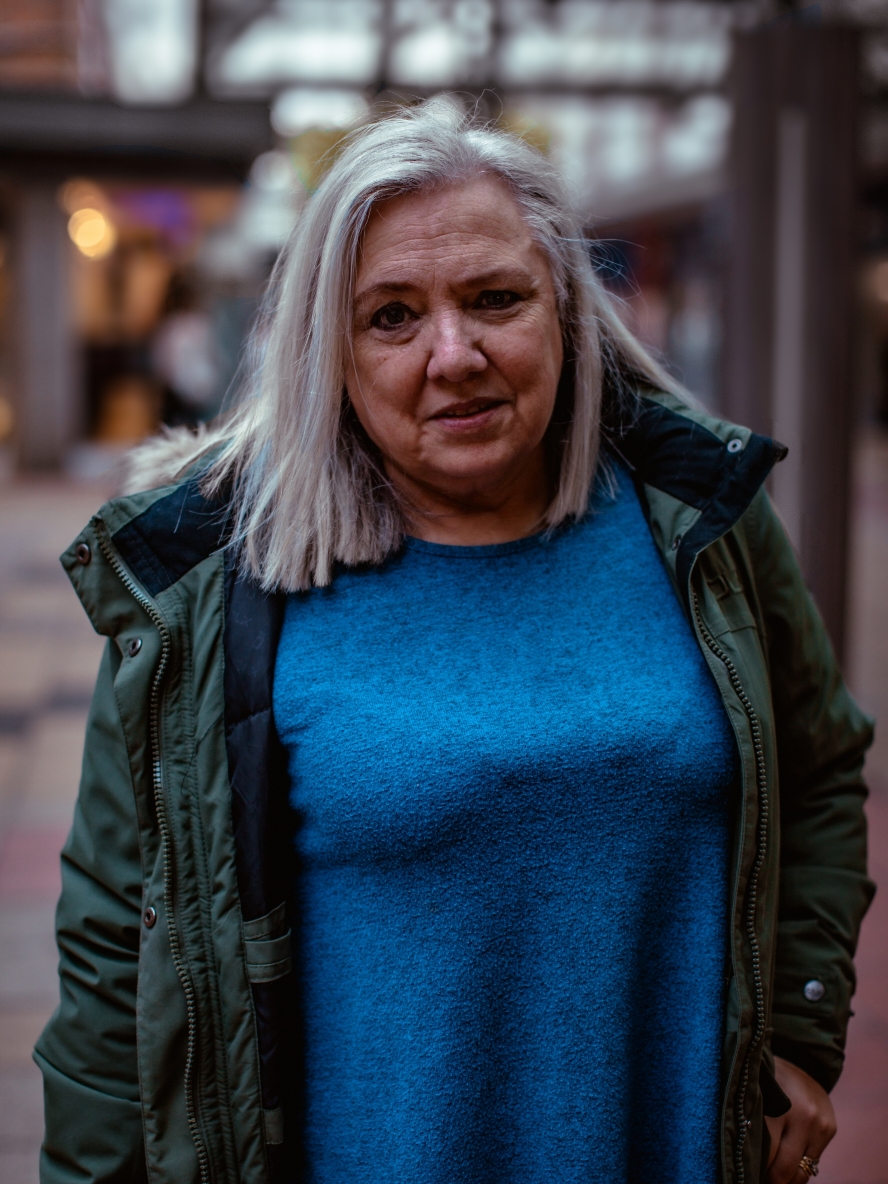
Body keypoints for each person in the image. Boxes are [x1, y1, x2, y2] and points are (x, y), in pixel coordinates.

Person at [36, 99, 873, 1184]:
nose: (454, 353)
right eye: (391, 316)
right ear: (327, 350)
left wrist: (801, 1030)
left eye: (495, 299)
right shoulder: (211, 590)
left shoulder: (700, 520)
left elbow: (817, 770)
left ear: (566, 310)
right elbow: (117, 950)